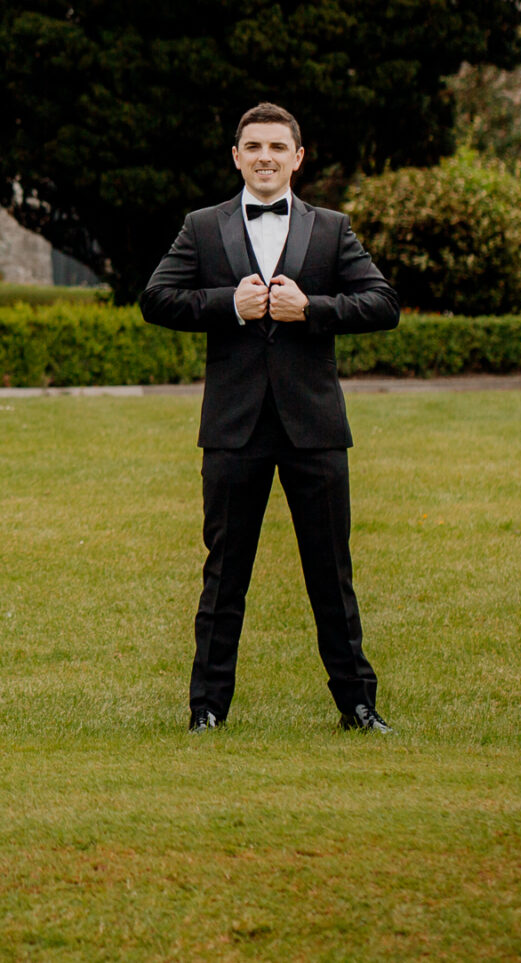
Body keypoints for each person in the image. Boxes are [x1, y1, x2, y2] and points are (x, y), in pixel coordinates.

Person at [140, 103, 400, 734]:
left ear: (297, 157)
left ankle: (358, 706)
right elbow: (156, 298)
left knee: (330, 573)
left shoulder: (332, 229)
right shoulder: (202, 227)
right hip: (233, 427)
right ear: (236, 156)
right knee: (224, 573)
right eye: (253, 146)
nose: (265, 157)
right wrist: (226, 303)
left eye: (277, 147)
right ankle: (207, 708)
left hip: (314, 426)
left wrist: (312, 308)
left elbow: (383, 302)